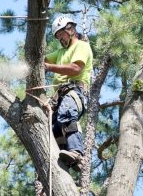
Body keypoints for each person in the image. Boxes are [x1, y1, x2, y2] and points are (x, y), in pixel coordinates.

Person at [44, 15, 93, 172]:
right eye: (57, 37)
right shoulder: (59, 53)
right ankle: (65, 159)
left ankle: (77, 153)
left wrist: (50, 67)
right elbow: (41, 60)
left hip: (75, 91)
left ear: (71, 29)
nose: (60, 39)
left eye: (61, 34)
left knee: (66, 114)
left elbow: (75, 68)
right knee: (56, 129)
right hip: (59, 98)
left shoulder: (81, 46)